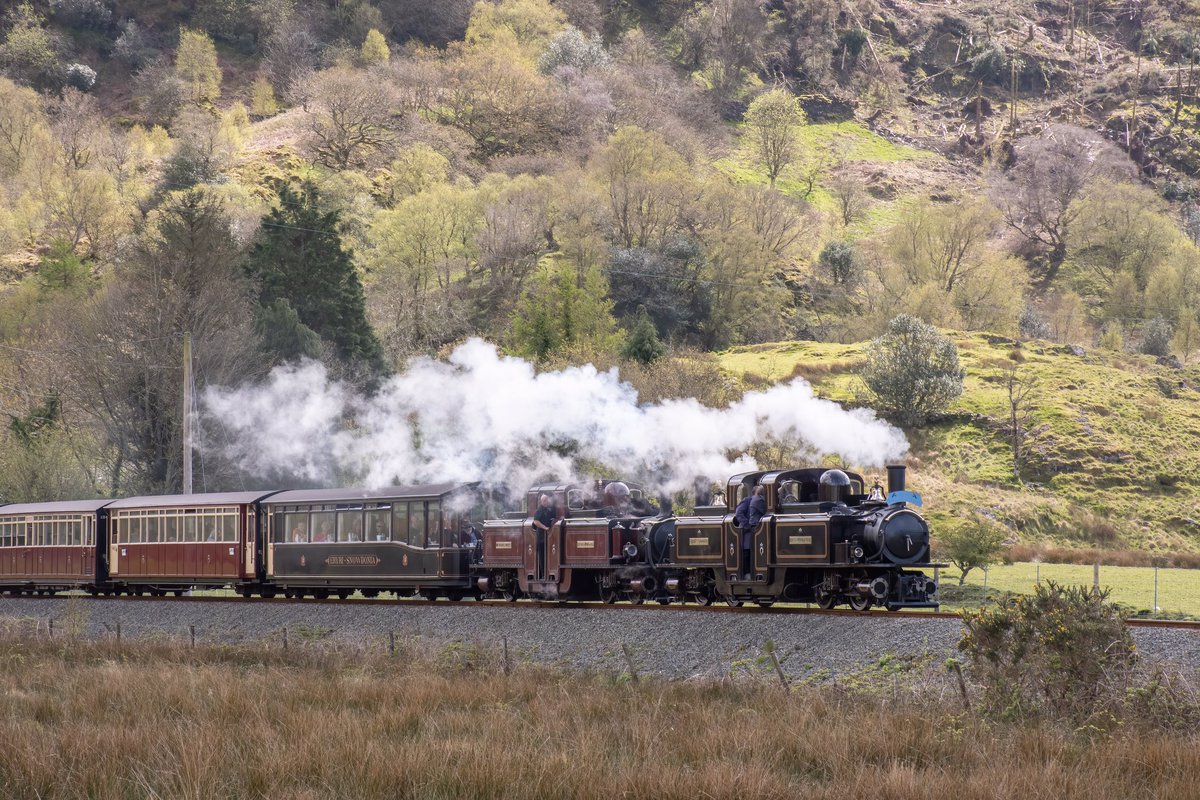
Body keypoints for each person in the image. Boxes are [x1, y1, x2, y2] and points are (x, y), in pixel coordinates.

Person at [733, 486, 766, 580]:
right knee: (747, 551)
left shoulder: (761, 501)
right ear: (754, 492)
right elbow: (738, 513)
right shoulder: (747, 500)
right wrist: (747, 525)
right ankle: (746, 572)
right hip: (746, 531)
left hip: (756, 530)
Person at [532, 494, 555, 577]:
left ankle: (547, 572)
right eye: (545, 501)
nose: (546, 502)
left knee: (547, 554)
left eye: (547, 500)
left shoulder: (548, 509)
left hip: (547, 536)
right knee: (542, 556)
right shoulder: (539, 510)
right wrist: (544, 527)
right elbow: (536, 521)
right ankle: (543, 574)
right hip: (541, 536)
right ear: (541, 501)